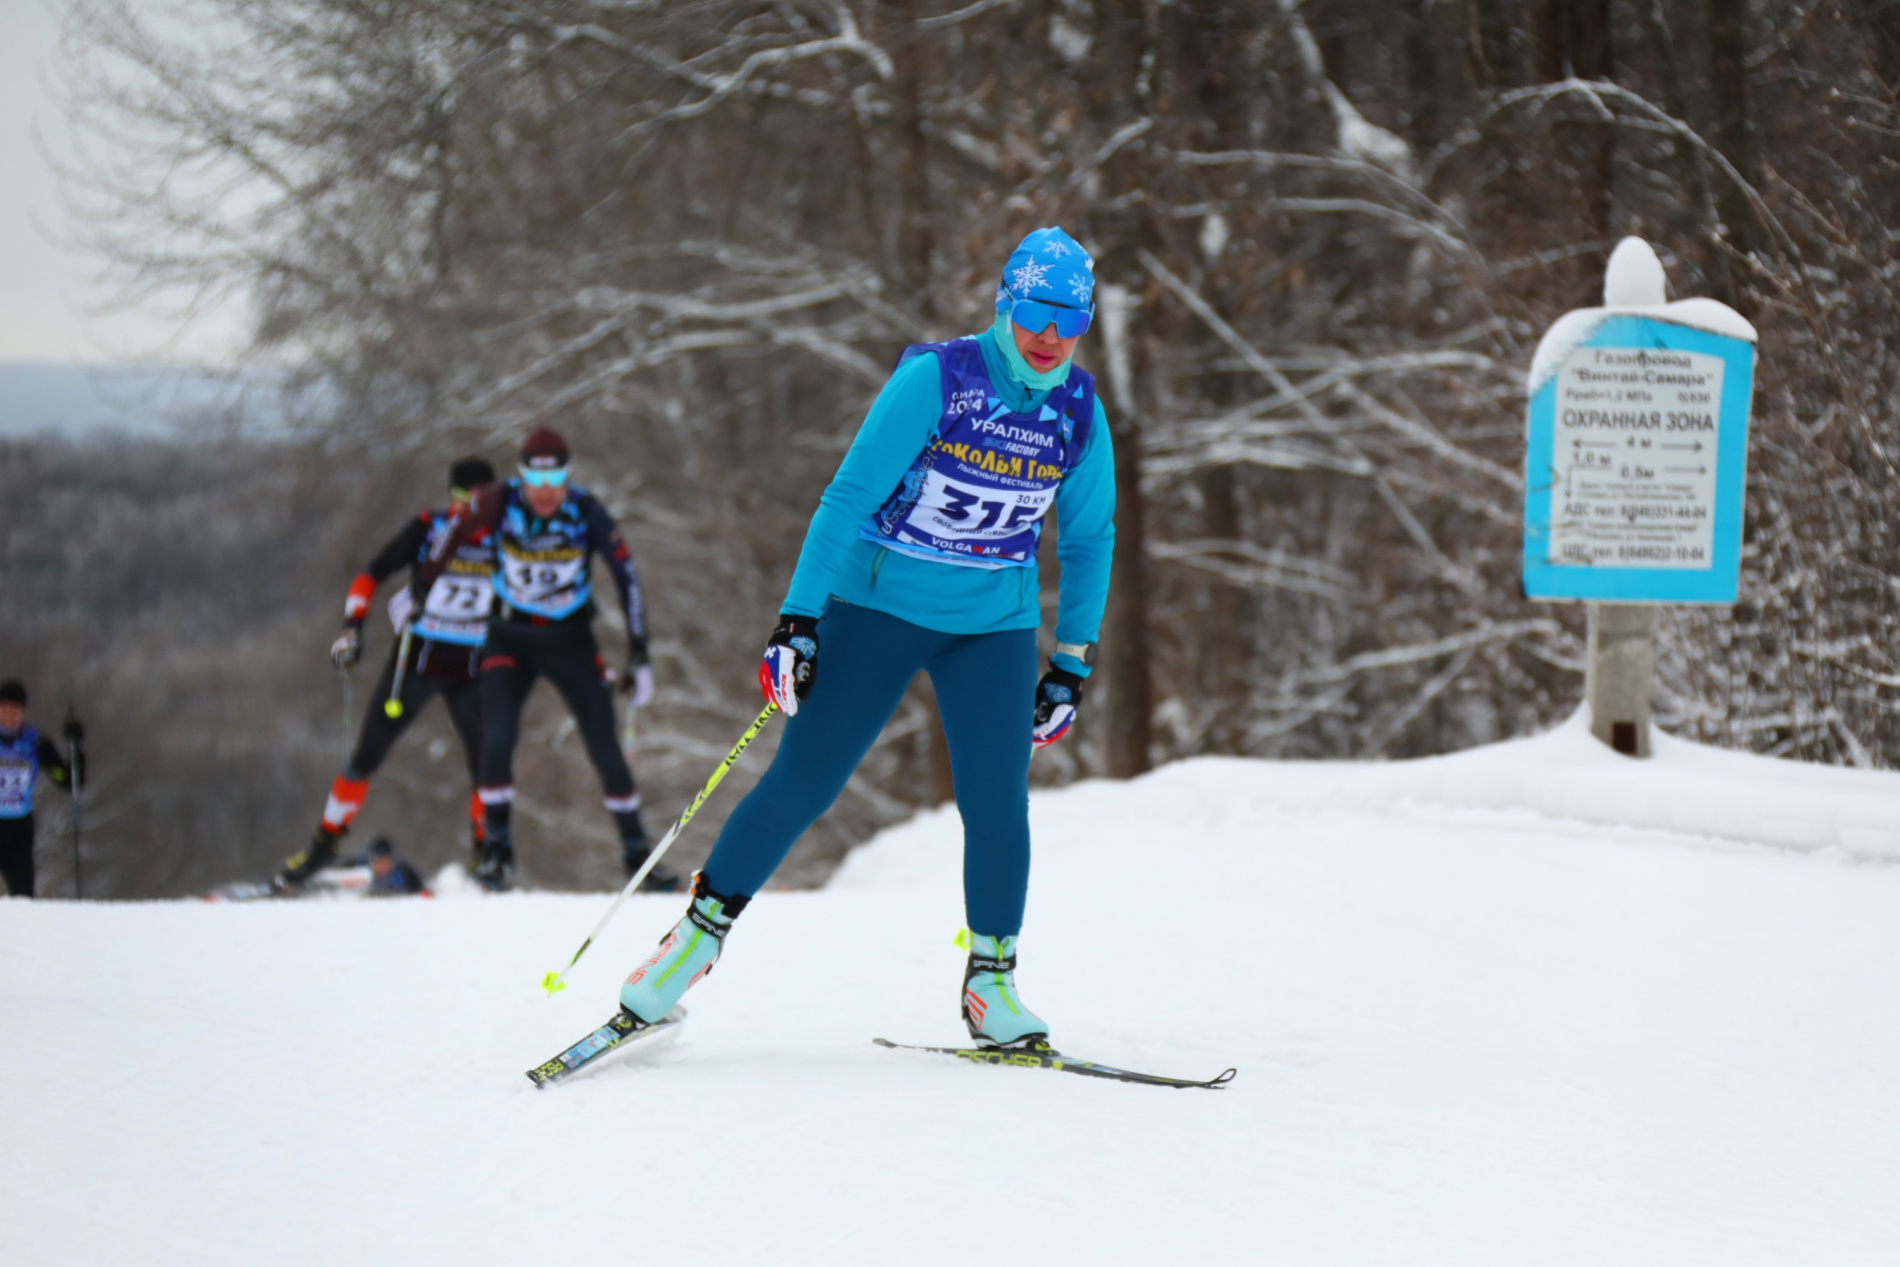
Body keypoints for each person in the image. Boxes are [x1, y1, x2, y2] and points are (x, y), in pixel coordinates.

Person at [617, 227, 1115, 1049]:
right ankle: (690, 943)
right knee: (805, 783)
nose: (1050, 336)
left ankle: (991, 983)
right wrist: (798, 621)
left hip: (992, 626)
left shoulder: (1078, 410)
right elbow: (847, 499)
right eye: (1035, 314)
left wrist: (1070, 661)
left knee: (997, 803)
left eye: (1070, 319)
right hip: (879, 606)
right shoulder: (939, 380)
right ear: (1004, 305)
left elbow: (1090, 538)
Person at [416, 428, 676, 893]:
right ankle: (496, 852)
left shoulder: (585, 510)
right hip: (507, 641)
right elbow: (450, 536)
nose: (545, 491)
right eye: (535, 480)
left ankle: (638, 855)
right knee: (496, 738)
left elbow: (627, 575)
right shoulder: (498, 501)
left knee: (605, 748)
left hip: (570, 641)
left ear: (566, 475)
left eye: (554, 478)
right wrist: (421, 588)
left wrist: (639, 650)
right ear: (521, 478)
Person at [275, 457, 499, 892]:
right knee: (365, 758)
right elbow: (370, 574)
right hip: (414, 664)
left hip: (469, 669)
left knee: (487, 766)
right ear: (450, 497)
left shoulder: (505, 538)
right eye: (462, 499)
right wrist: (351, 629)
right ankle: (323, 846)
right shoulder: (430, 528)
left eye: (479, 501)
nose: (468, 509)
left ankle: (487, 857)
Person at [0, 680, 85, 899]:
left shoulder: (36, 742)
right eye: (4, 707)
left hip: (18, 831)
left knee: (23, 902)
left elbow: (69, 780)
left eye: (15, 708)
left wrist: (76, 747)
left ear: (23, 711)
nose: (9, 714)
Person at [354, 836, 429, 896]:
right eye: (377, 861)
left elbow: (423, 895)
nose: (380, 865)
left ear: (392, 861)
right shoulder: (358, 872)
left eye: (384, 861)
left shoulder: (407, 875)